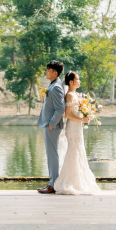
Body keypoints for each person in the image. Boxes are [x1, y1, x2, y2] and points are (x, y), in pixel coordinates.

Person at [53, 71, 101, 195]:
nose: (79, 81)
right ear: (71, 82)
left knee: (79, 151)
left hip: (78, 127)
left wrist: (86, 114)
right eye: (77, 79)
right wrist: (82, 119)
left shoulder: (76, 94)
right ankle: (71, 181)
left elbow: (78, 110)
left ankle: (79, 180)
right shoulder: (69, 95)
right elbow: (68, 114)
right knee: (74, 151)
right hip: (72, 128)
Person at [37, 60, 65, 194]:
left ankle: (53, 184)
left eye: (48, 70)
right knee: (50, 155)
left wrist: (51, 124)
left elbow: (60, 109)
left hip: (52, 127)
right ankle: (52, 182)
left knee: (52, 155)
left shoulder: (57, 87)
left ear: (55, 73)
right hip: (49, 125)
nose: (46, 72)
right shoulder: (53, 85)